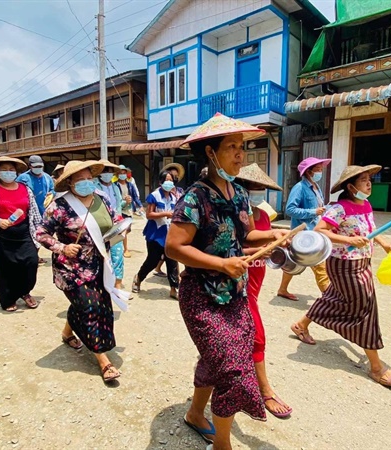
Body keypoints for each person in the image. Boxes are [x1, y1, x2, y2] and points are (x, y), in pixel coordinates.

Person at [165, 113, 289, 450]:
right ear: (210, 153)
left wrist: (272, 235)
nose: (240, 154)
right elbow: (174, 247)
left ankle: (194, 413)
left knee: (217, 360)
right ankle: (223, 445)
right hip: (202, 298)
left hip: (234, 295)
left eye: (242, 147)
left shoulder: (238, 193)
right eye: (232, 147)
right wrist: (221, 263)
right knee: (233, 370)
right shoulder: (195, 197)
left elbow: (245, 234)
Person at [290, 164, 391, 388]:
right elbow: (320, 231)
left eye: (369, 179)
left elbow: (371, 230)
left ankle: (301, 325)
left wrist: (384, 243)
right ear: (351, 187)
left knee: (333, 296)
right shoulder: (339, 208)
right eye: (363, 180)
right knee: (366, 308)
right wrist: (349, 240)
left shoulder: (366, 204)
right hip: (344, 264)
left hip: (364, 262)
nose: (369, 183)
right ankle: (376, 367)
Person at [36, 160, 130, 383]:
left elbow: (115, 221)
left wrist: (123, 228)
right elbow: (41, 234)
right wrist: (62, 247)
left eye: (89, 179)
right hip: (72, 269)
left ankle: (67, 333)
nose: (87, 183)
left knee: (100, 307)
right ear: (70, 182)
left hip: (99, 265)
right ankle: (104, 361)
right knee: (90, 308)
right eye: (81, 180)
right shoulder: (58, 206)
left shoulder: (102, 200)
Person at [236, 163, 292, 418]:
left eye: (261, 188)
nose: (257, 192)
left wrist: (280, 244)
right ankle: (264, 389)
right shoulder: (233, 213)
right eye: (253, 188)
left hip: (256, 282)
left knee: (244, 333)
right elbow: (227, 251)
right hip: (237, 283)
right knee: (257, 334)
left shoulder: (262, 215)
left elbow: (270, 248)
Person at [0, 156, 42, 311]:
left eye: (11, 170)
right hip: (0, 235)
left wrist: (41, 231)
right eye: (4, 170)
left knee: (31, 263)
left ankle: (24, 291)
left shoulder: (25, 188)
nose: (8, 172)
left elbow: (34, 211)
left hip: (25, 233)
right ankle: (8, 299)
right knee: (4, 270)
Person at [277, 157, 331, 301]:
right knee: (320, 266)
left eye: (321, 169)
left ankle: (282, 289)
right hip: (304, 235)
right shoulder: (299, 188)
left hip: (314, 232)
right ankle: (331, 300)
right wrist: (313, 212)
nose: (320, 171)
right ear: (308, 171)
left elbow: (319, 207)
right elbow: (290, 209)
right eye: (318, 169)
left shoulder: (316, 187)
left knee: (293, 262)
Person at [132, 170, 179, 300]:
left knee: (172, 261)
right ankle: (138, 278)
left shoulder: (174, 197)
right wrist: (165, 214)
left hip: (169, 233)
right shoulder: (154, 196)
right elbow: (149, 215)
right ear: (160, 182)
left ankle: (174, 289)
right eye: (166, 180)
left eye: (171, 180)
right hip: (156, 233)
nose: (169, 183)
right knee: (153, 260)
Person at [17, 155, 55, 263]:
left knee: (40, 235)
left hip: (43, 211)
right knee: (29, 235)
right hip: (28, 212)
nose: (38, 168)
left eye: (40, 166)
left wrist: (51, 194)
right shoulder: (23, 178)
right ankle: (31, 255)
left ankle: (35, 254)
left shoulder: (47, 178)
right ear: (30, 166)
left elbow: (53, 190)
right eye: (36, 166)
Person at [97, 159, 126, 290]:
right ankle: (102, 281)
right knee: (100, 254)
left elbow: (118, 205)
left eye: (109, 171)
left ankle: (118, 282)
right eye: (104, 171)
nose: (107, 174)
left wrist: (127, 203)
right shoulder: (94, 186)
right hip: (99, 225)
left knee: (117, 253)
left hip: (115, 224)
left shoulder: (115, 187)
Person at [153, 162, 185, 278]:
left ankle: (173, 279)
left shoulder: (180, 190)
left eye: (175, 176)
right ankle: (175, 278)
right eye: (171, 175)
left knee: (170, 251)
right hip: (163, 225)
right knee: (168, 251)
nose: (172, 178)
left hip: (176, 222)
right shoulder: (159, 192)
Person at [115, 164, 142, 258]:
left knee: (128, 229)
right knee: (124, 229)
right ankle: (125, 249)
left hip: (129, 209)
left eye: (124, 173)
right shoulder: (115, 186)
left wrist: (140, 206)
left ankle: (120, 243)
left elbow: (135, 196)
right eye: (120, 173)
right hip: (120, 210)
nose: (122, 175)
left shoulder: (130, 185)